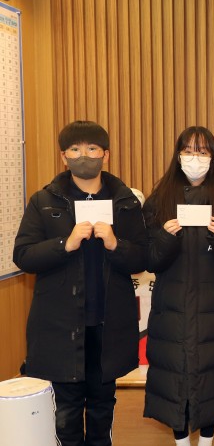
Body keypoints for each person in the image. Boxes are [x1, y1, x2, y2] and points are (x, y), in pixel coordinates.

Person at [13, 120, 148, 446]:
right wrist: (66, 243)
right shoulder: (44, 201)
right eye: (74, 149)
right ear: (63, 157)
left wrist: (116, 244)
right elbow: (24, 255)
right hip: (60, 327)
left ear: (106, 154)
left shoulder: (125, 202)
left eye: (91, 148)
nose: (83, 156)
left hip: (108, 325)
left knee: (102, 408)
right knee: (66, 412)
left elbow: (143, 258)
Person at [142, 126, 214, 446]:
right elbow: (150, 259)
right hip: (172, 307)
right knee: (174, 376)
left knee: (211, 376)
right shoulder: (160, 198)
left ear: (213, 156)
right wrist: (165, 237)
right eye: (188, 150)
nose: (195, 158)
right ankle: (179, 441)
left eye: (202, 151)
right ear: (178, 155)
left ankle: (206, 441)